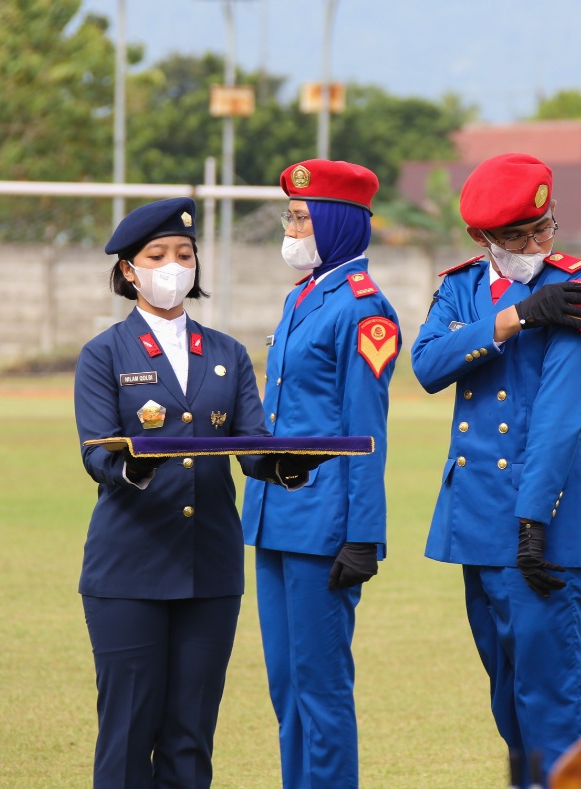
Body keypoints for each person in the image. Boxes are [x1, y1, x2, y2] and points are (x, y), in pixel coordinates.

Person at [410, 152, 581, 786]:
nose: (535, 244)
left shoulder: (576, 290)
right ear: (481, 238)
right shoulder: (462, 287)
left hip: (541, 523)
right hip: (476, 521)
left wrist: (533, 519)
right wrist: (516, 316)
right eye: (517, 235)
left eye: (544, 227)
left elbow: (559, 418)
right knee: (507, 698)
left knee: (552, 701)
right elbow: (427, 366)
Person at [74, 197, 276, 788]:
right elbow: (95, 452)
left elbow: (253, 444)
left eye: (184, 254)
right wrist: (133, 468)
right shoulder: (104, 353)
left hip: (209, 567)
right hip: (129, 567)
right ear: (128, 270)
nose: (173, 265)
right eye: (156, 255)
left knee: (191, 734)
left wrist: (287, 464)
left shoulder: (227, 353)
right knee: (129, 731)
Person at [240, 159, 398, 788]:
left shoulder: (363, 308)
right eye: (291, 215)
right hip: (275, 515)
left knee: (322, 692)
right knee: (286, 687)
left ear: (336, 223)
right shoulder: (303, 295)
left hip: (324, 527)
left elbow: (367, 433)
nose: (292, 227)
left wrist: (363, 533)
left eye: (302, 217)